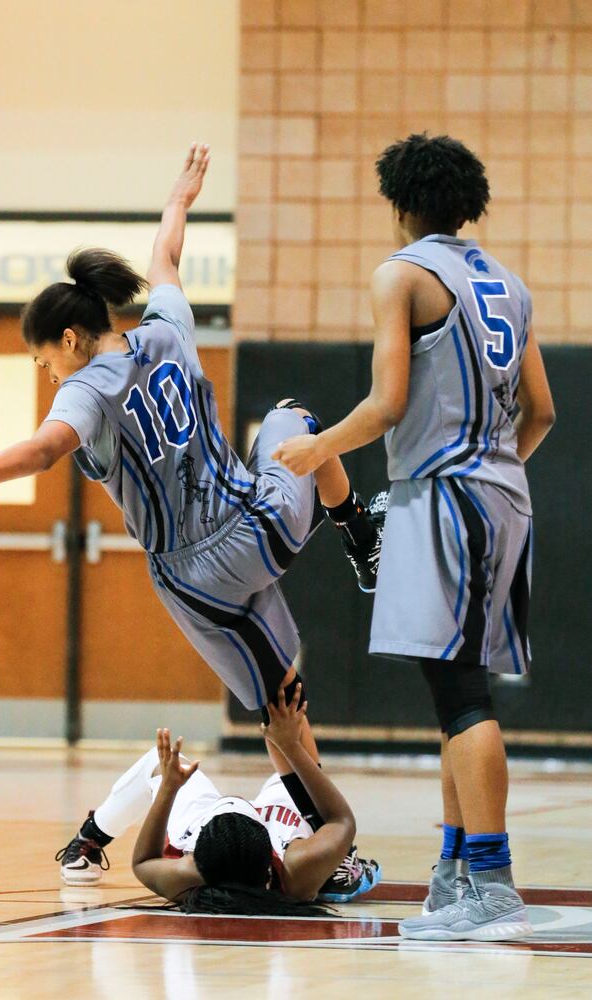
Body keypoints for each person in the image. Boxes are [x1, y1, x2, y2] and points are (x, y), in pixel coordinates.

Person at [0, 143, 381, 899]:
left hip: (200, 573)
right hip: (261, 519)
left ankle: (333, 855)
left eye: (45, 363)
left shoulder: (87, 390)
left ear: (69, 341)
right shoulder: (165, 327)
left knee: (280, 711)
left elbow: (44, 452)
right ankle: (359, 537)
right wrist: (178, 200)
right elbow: (165, 259)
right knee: (296, 421)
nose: (49, 376)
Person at [273, 133, 555, 941]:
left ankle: (491, 883)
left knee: (463, 694)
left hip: (445, 497)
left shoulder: (399, 274)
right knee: (451, 688)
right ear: (467, 201)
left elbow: (386, 403)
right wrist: (489, 467)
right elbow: (541, 412)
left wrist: (316, 448)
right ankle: (455, 872)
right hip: (505, 496)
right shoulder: (508, 282)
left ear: (399, 204)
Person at [58, 684, 379, 913]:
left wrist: (168, 791)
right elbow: (342, 820)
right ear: (270, 861)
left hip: (206, 832)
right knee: (302, 789)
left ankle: (90, 837)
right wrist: (289, 745)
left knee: (160, 762)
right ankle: (337, 867)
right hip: (260, 845)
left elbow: (142, 862)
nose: (237, 799)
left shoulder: (187, 874)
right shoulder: (298, 868)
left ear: (196, 861)